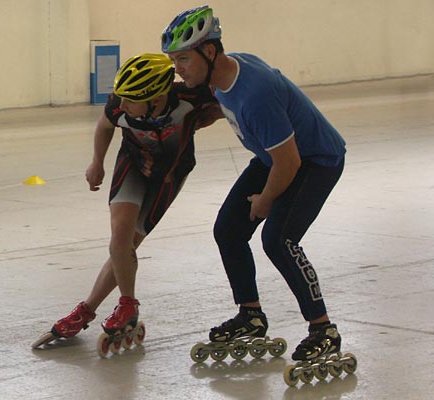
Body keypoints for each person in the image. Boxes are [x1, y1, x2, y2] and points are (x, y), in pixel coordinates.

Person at [161, 6, 347, 362]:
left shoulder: (255, 95)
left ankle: (323, 329)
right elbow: (232, 107)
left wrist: (265, 199)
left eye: (183, 58)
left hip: (315, 160)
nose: (178, 68)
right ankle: (251, 315)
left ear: (209, 51)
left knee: (278, 240)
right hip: (274, 156)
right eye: (174, 59)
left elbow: (289, 161)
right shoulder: (226, 74)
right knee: (228, 229)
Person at [32, 53, 222, 350]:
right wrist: (97, 162)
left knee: (128, 244)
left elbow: (234, 102)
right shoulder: (118, 103)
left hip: (168, 176)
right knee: (119, 239)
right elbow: (105, 126)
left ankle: (89, 307)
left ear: (157, 97)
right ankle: (125, 304)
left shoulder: (190, 97)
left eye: (131, 100)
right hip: (133, 165)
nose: (122, 105)